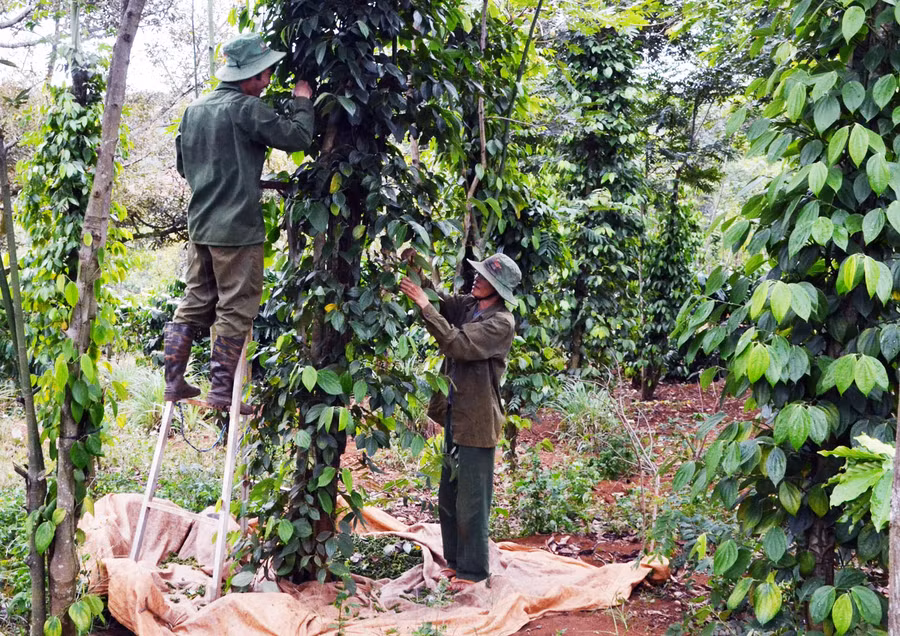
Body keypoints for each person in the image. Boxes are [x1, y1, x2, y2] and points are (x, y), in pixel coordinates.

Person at [164, 33, 314, 412]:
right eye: (263, 75)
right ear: (246, 76)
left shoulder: (194, 109)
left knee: (195, 300)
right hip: (237, 230)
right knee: (237, 305)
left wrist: (234, 176)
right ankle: (220, 391)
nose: (266, 82)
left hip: (201, 224)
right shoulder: (247, 108)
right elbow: (297, 137)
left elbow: (186, 165)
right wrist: (302, 100)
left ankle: (173, 379)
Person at [399, 253, 522, 591]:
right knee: (449, 493)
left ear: (497, 290)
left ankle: (474, 570)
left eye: (483, 278)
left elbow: (456, 344)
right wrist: (417, 271)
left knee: (472, 499)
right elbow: (441, 300)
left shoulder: (501, 323)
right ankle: (455, 561)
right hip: (456, 414)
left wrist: (425, 307)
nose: (475, 279)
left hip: (478, 420)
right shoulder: (471, 306)